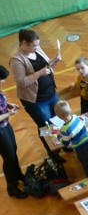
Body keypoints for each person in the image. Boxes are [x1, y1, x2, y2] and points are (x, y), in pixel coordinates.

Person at [9, 28, 62, 157]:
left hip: (51, 93)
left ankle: (62, 143)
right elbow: (22, 82)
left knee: (57, 120)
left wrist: (55, 60)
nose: (37, 48)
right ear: (25, 43)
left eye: (38, 45)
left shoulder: (36, 49)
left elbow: (48, 68)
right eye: (34, 45)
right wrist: (39, 73)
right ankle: (53, 153)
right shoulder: (16, 60)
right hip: (36, 100)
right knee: (45, 126)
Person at [56, 99, 88, 176]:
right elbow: (86, 120)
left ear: (59, 117)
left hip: (81, 149)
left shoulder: (64, 129)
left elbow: (65, 142)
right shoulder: (77, 117)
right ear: (70, 110)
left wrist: (59, 136)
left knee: (86, 165)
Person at [0, 65, 26, 198]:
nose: (3, 81)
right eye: (2, 79)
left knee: (13, 150)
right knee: (8, 157)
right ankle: (11, 186)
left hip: (5, 126)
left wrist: (9, 105)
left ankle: (18, 174)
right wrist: (9, 113)